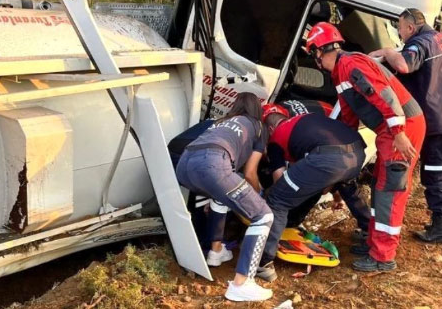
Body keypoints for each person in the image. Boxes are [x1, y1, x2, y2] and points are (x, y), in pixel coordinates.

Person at [303, 22, 426, 272]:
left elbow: (386, 98)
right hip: (391, 129)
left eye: (313, 54)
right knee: (380, 183)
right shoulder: (341, 71)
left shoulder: (351, 65)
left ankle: (383, 256)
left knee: (389, 189)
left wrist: (399, 133)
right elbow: (348, 116)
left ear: (318, 51)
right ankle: (374, 242)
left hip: (401, 128)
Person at [369, 8, 442, 244]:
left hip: (440, 122)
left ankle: (440, 226)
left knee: (436, 174)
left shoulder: (419, 44)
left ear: (410, 27)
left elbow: (405, 66)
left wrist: (388, 52)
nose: (399, 34)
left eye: (400, 29)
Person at [175, 92, 273, 302]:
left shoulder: (220, 122)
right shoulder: (258, 126)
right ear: (258, 109)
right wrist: (258, 198)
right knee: (264, 216)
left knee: (220, 198)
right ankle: (242, 283)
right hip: (214, 164)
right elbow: (250, 173)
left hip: (184, 166)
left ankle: (216, 252)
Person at [256, 103, 367, 281]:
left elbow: (280, 181)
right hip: (356, 151)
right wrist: (337, 196)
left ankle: (264, 262)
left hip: (328, 159)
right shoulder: (305, 120)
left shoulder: (276, 137)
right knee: (345, 188)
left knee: (278, 199)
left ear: (269, 128)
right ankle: (371, 234)